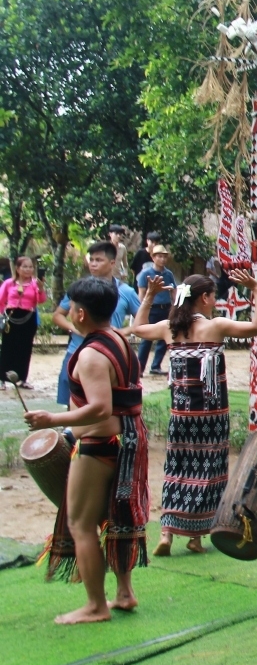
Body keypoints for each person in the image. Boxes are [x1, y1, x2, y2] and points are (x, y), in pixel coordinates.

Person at [24, 277, 149, 624]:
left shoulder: (92, 354)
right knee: (114, 516)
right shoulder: (119, 339)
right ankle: (124, 592)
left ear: (79, 313)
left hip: (100, 444)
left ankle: (96, 606)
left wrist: (53, 418)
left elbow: (99, 407)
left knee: (81, 524)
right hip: (127, 438)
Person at [132, 271, 257, 556]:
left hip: (181, 414)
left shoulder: (170, 328)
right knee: (210, 472)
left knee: (176, 469)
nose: (215, 301)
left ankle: (167, 533)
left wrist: (149, 295)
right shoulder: (215, 326)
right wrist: (255, 289)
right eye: (213, 296)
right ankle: (195, 537)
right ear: (204, 298)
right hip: (212, 416)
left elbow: (137, 328)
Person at [53, 242, 141, 407]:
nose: (93, 264)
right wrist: (76, 328)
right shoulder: (79, 289)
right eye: (91, 259)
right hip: (75, 350)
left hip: (108, 352)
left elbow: (142, 321)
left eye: (99, 260)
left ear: (112, 263)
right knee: (71, 403)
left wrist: (120, 332)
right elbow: (58, 315)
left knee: (104, 402)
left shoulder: (126, 292)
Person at [0, 256, 46, 389]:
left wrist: (41, 288)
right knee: (8, 347)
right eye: (25, 267)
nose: (28, 269)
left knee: (25, 348)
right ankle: (2, 379)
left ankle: (22, 379)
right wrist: (2, 314)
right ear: (18, 269)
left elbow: (41, 300)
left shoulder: (34, 284)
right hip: (12, 316)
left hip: (28, 317)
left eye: (31, 267)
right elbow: (1, 300)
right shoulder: (9, 283)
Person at [135, 245, 177, 375]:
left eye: (164, 256)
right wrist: (142, 309)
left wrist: (175, 307)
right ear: (153, 257)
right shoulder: (145, 274)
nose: (162, 259)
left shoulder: (168, 274)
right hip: (152, 309)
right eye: (159, 256)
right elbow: (141, 294)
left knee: (164, 338)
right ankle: (139, 368)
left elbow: (173, 291)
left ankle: (155, 366)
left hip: (166, 308)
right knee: (146, 339)